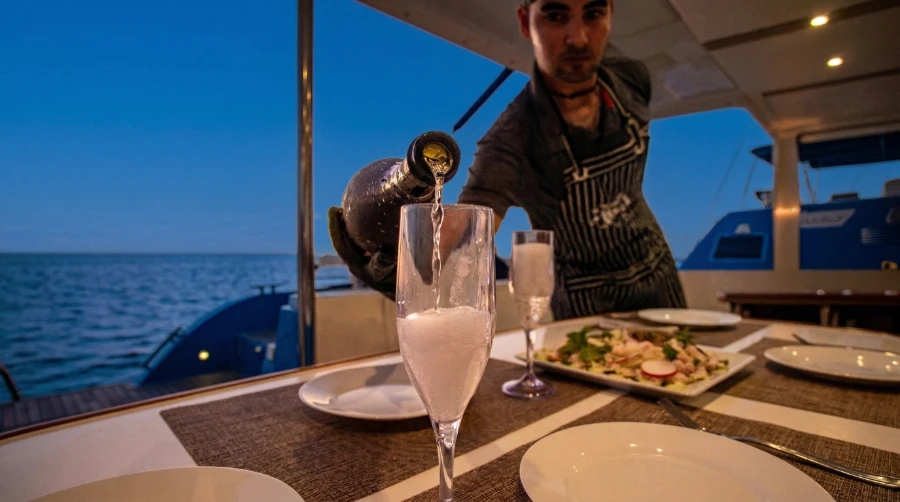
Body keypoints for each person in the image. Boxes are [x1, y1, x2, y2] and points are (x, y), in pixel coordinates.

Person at [329, 0, 685, 318]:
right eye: (556, 14)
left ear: (611, 14)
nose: (577, 38)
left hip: (658, 273)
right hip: (587, 303)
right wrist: (395, 268)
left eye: (592, 13)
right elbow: (459, 243)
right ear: (524, 21)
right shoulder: (511, 142)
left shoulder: (631, 79)